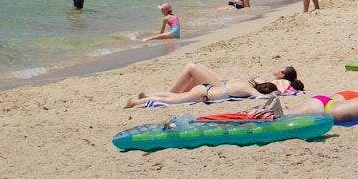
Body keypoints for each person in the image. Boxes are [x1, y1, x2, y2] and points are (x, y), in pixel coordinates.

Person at [124, 65, 304, 108]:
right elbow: (260, 95)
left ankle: (149, 97)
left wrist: (276, 92)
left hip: (214, 88)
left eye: (282, 68)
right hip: (213, 89)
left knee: (190, 69)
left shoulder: (280, 82)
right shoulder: (252, 87)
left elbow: (281, 89)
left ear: (283, 75)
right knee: (174, 98)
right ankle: (148, 97)